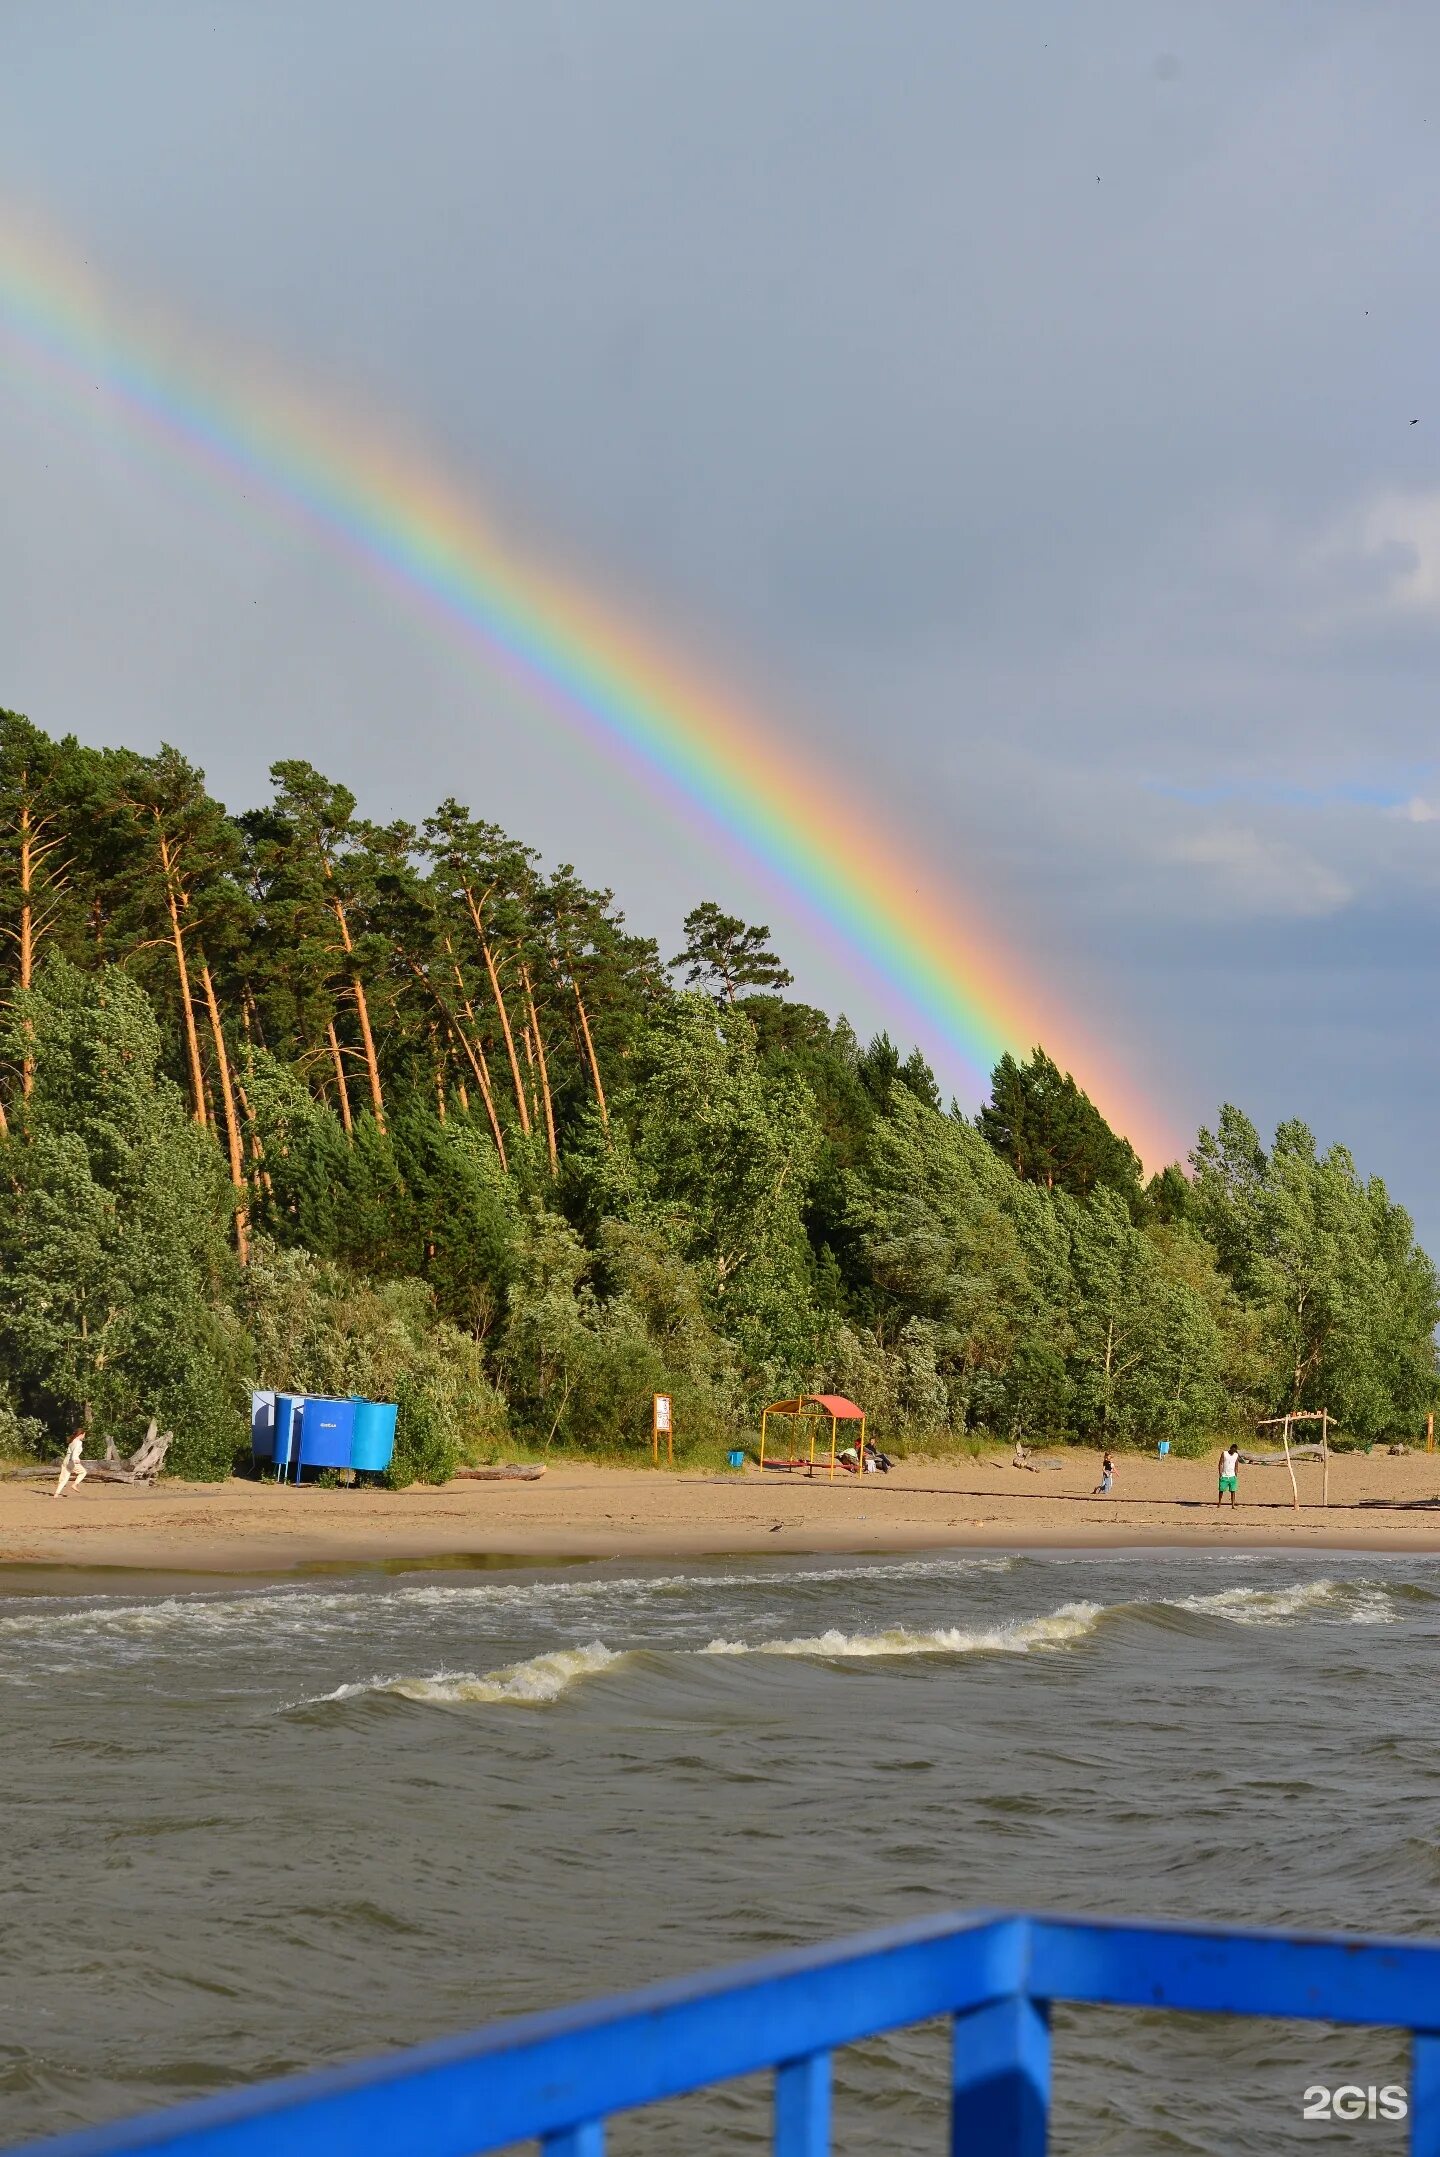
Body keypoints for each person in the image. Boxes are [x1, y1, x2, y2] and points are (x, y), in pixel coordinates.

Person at [53, 1429, 87, 1498]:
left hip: (66, 1460)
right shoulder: (78, 1442)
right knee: (83, 1472)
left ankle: (56, 1494)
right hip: (72, 1461)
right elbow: (74, 1452)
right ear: (80, 1435)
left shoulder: (72, 1442)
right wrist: (75, 1459)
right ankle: (75, 1484)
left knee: (64, 1479)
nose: (84, 1437)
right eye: (84, 1435)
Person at [1217, 1441, 1241, 1508]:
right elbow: (1220, 1463)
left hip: (1232, 1476)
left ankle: (1233, 1505)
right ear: (1230, 1448)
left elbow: (1236, 1465)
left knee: (1233, 1491)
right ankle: (1219, 1503)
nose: (1233, 1451)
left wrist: (1236, 1474)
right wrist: (1220, 1473)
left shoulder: (1236, 1455)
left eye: (1235, 1450)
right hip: (1224, 1475)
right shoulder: (1224, 1453)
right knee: (1221, 1490)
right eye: (1232, 1450)